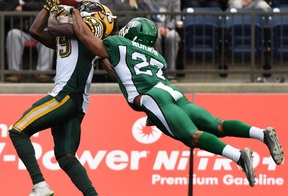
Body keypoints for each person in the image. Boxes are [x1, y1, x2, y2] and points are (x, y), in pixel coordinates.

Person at [71, 10, 284, 188]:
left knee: (191, 136)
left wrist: (75, 12)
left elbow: (84, 36)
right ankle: (261, 133)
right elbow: (127, 74)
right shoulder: (157, 57)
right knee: (217, 124)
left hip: (154, 97)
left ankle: (238, 156)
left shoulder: (117, 43)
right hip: (174, 93)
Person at [8, 0, 114, 195]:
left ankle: (40, 186)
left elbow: (56, 27)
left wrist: (60, 9)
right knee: (66, 156)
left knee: (18, 130)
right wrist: (48, 6)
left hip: (66, 95)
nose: (85, 7)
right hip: (75, 101)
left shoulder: (90, 27)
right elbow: (36, 31)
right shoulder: (75, 34)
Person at [0, 0, 54, 83]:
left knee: (48, 34)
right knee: (13, 34)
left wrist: (24, 7)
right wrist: (31, 9)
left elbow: (46, 7)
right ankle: (14, 72)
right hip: (21, 31)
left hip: (39, 31)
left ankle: (43, 72)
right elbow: (6, 13)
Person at [143, 0, 181, 82]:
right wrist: (156, 29)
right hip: (153, 29)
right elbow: (147, 18)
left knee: (172, 37)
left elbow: (177, 17)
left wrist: (168, 28)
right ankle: (158, 73)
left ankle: (170, 74)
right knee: (155, 37)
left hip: (170, 28)